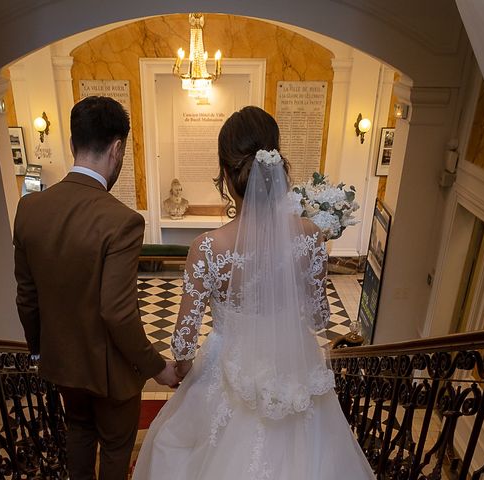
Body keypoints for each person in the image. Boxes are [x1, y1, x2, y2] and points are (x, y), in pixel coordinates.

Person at [133, 106, 375, 479]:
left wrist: (181, 369)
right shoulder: (310, 236)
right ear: (278, 166)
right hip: (293, 367)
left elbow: (183, 341)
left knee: (182, 448)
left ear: (227, 175)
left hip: (226, 366)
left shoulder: (209, 248)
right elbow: (319, 318)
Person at [13, 96, 180, 480]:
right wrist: (158, 368)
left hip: (62, 363)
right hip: (110, 375)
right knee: (117, 448)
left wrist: (40, 351)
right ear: (117, 149)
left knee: (79, 432)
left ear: (73, 144)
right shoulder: (121, 221)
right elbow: (116, 312)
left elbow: (26, 296)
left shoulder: (30, 208)